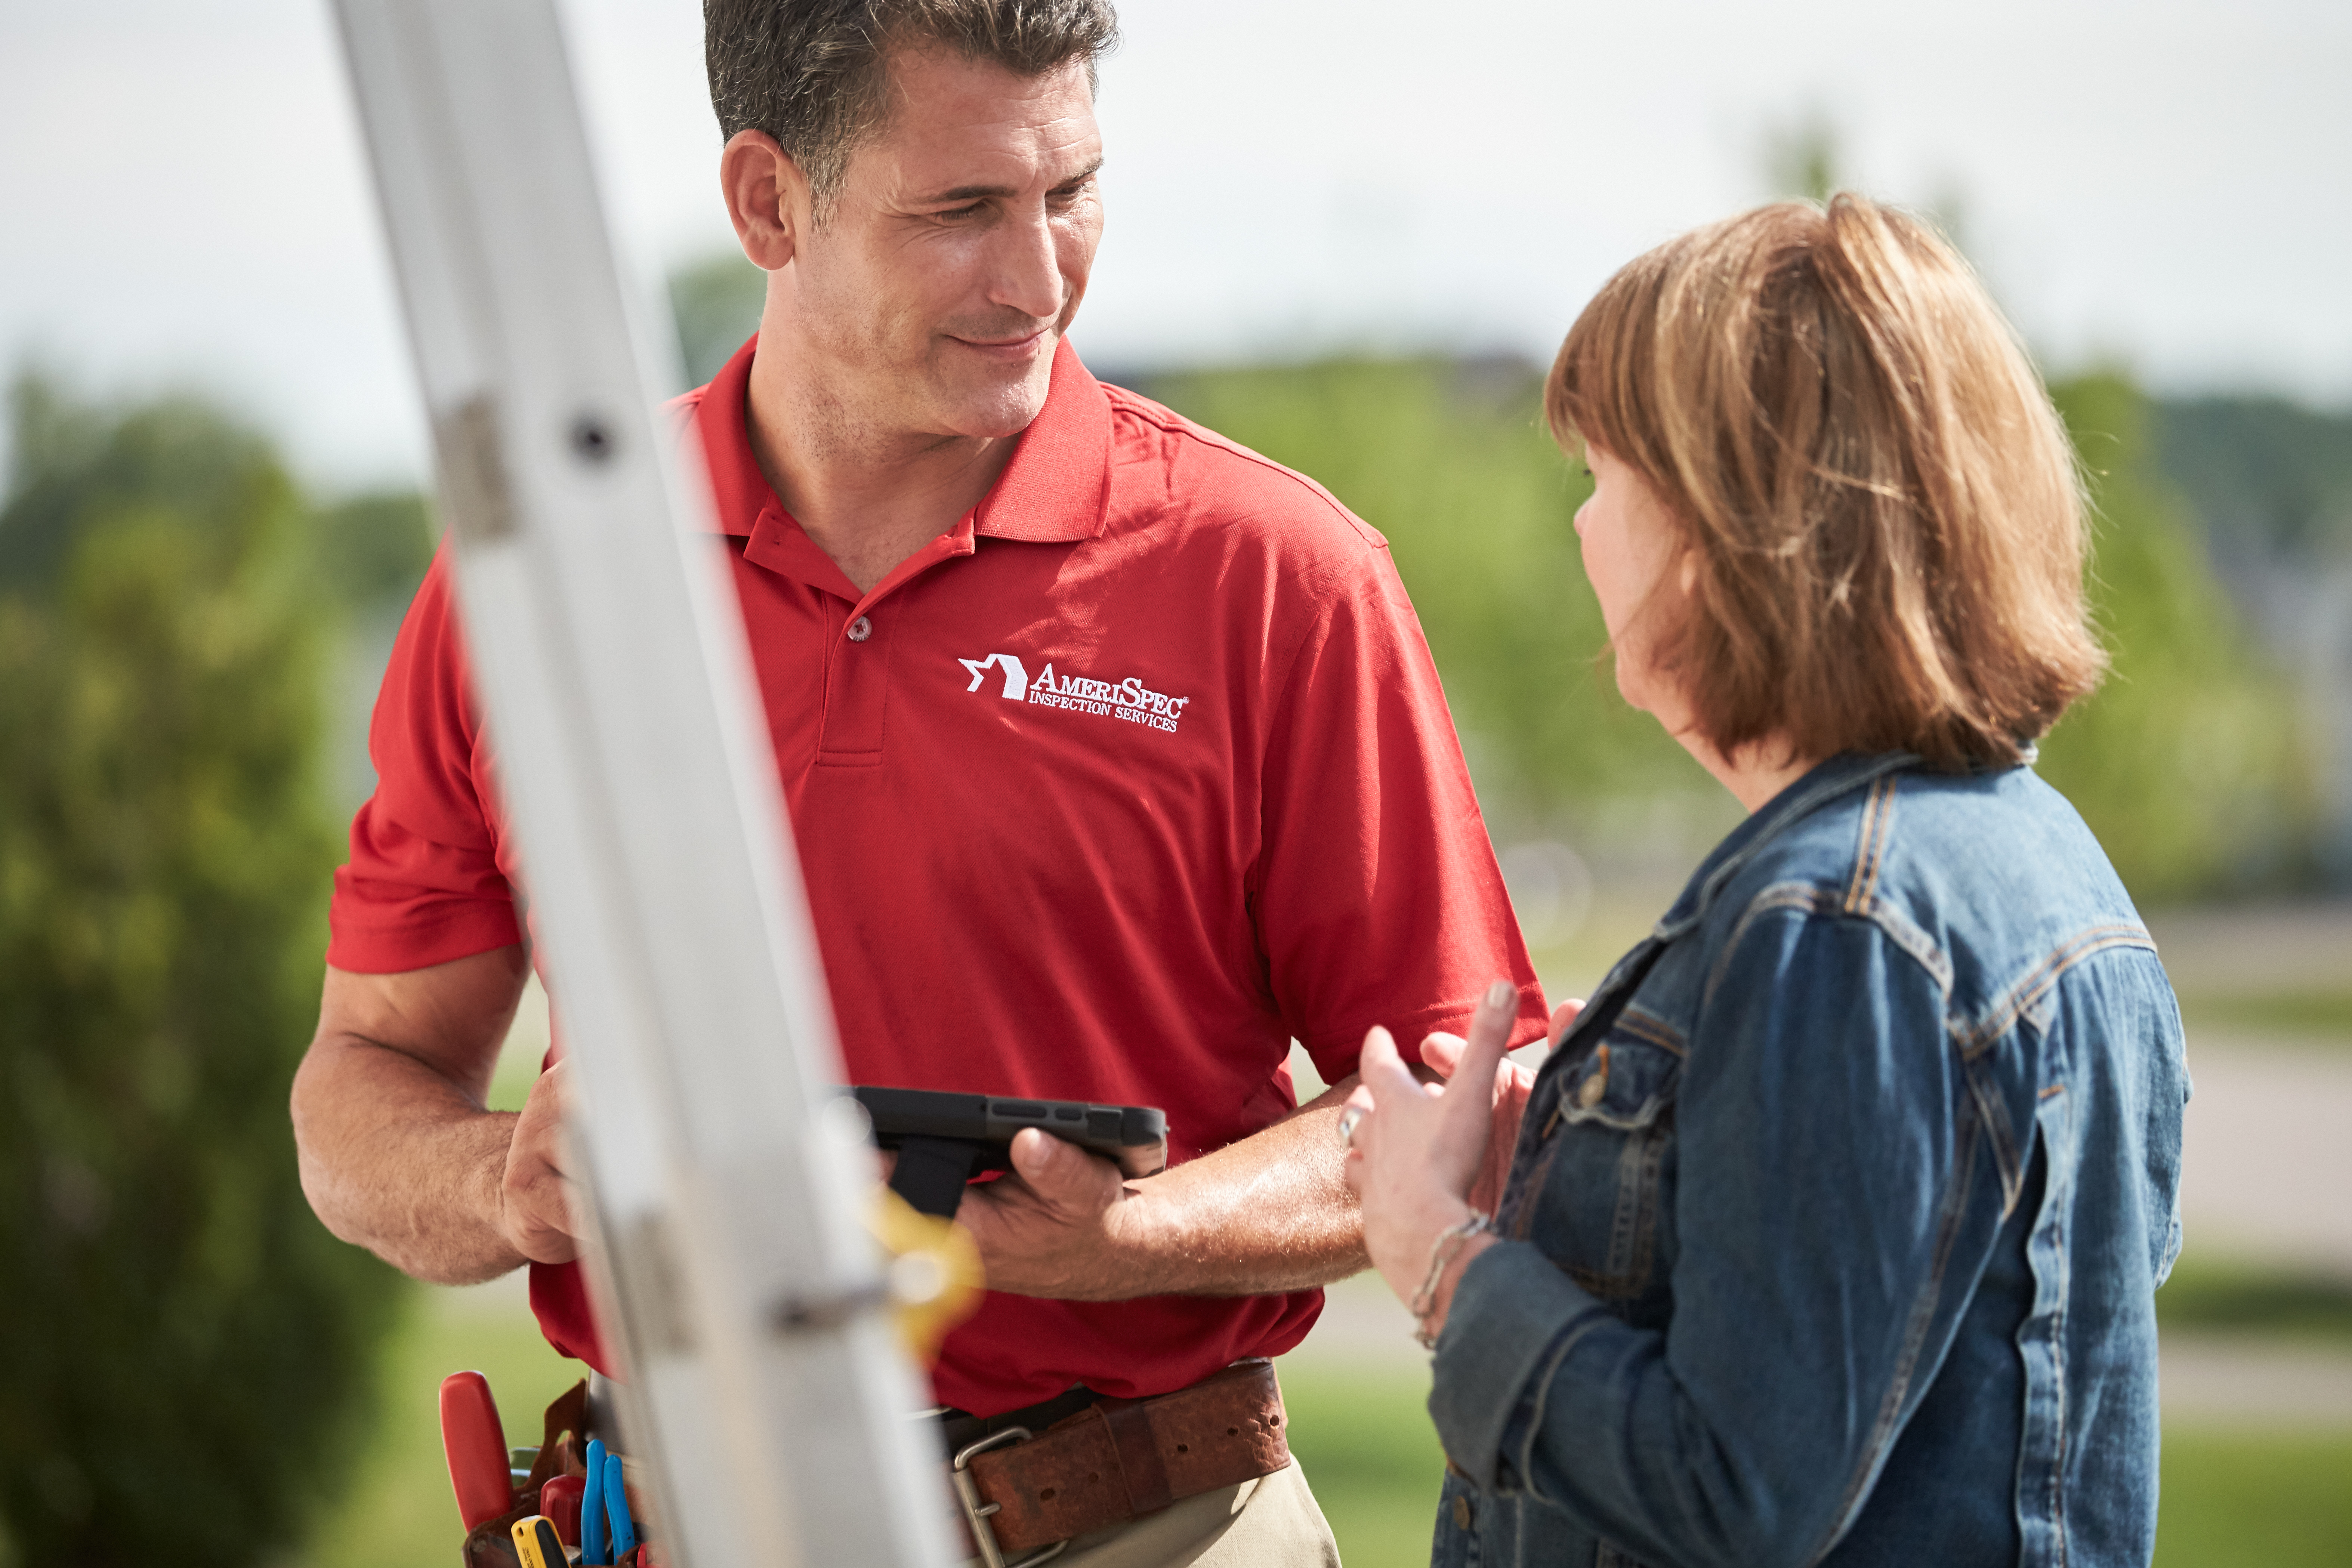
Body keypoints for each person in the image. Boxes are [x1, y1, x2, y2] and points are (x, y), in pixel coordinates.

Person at [289, 0, 1546, 1561]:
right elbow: (356, 1087)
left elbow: (1468, 1101)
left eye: (1068, 192)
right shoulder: (537, 588)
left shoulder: (1273, 575)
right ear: (765, 200)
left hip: (1150, 1519)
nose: (1038, 280)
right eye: (960, 210)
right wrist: (509, 1181)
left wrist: (1130, 1237)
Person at [1340, 195, 2189, 1568]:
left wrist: (1439, 1255)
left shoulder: (1841, 923)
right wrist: (1559, 1195)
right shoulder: (2043, 861)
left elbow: (1730, 1492)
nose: (1581, 533)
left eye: (1604, 477)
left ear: (1727, 524)